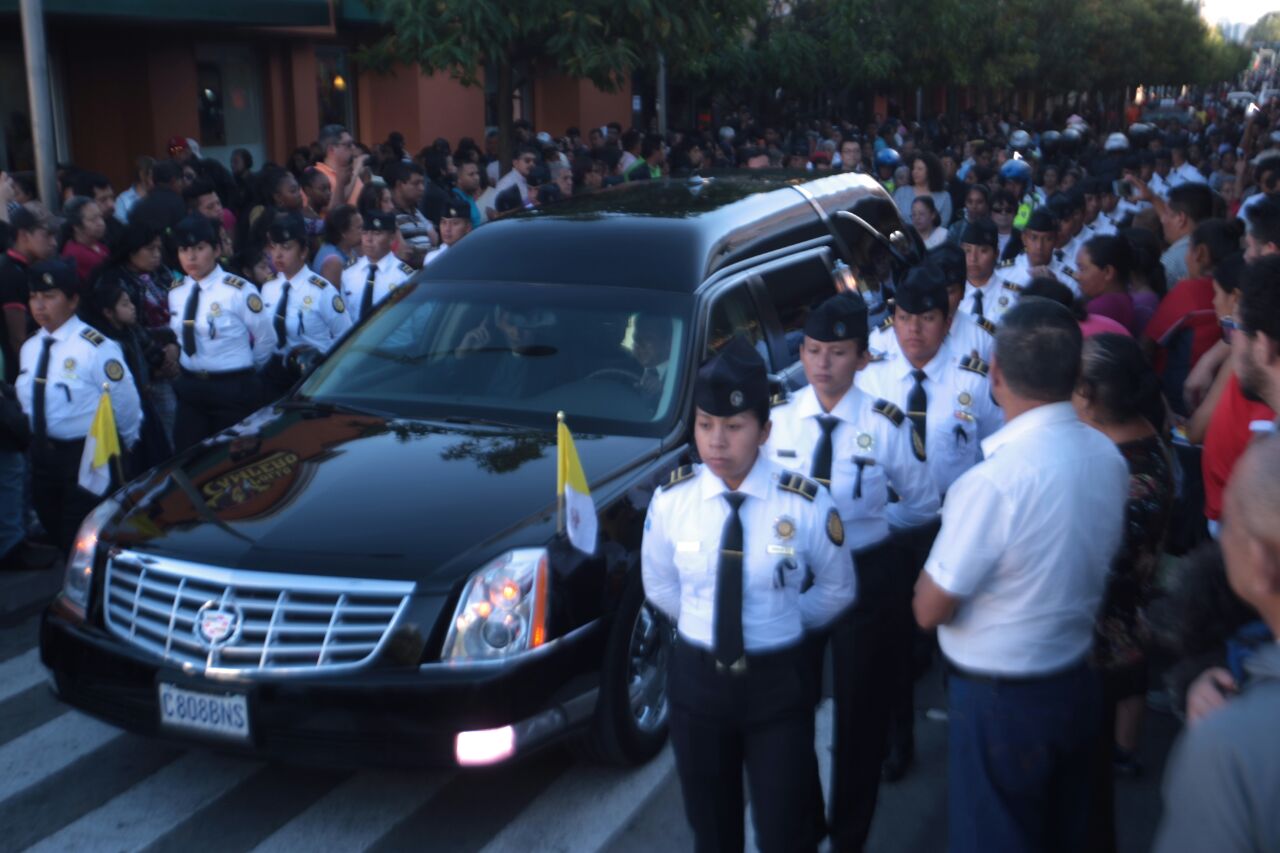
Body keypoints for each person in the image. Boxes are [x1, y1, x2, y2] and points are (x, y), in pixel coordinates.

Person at [913, 299, 1129, 853]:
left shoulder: (992, 483)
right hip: (1078, 683)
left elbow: (928, 608)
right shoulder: (1109, 457)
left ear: (998, 375)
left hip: (1001, 708)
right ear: (1075, 375)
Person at [641, 337, 855, 853]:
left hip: (776, 687)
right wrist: (707, 621)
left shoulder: (803, 503)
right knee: (712, 832)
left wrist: (783, 620)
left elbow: (836, 587)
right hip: (697, 685)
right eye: (705, 425)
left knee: (785, 830)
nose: (717, 442)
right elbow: (660, 586)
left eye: (734, 427)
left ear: (765, 430)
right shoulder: (672, 501)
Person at [767, 293, 939, 849]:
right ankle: (807, 817)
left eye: (837, 352)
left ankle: (849, 835)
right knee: (787, 711)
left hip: (867, 573)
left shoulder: (886, 422)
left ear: (863, 358)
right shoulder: (779, 421)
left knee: (861, 716)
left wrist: (860, 527)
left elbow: (921, 502)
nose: (822, 363)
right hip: (799, 578)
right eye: (813, 350)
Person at [1153, 434, 1280, 853]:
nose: (1220, 537)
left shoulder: (1229, 749)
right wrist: (1205, 670)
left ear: (1260, 561)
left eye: (1230, 522)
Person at [1072, 333, 1175, 848]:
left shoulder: (1128, 477)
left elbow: (1095, 564)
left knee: (1087, 799)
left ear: (1090, 396)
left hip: (1101, 640)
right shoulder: (1141, 440)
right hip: (1127, 620)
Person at [17, 260, 142, 553]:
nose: (39, 305)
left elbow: (125, 402)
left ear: (72, 301)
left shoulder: (95, 346)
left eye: (49, 296)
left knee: (79, 534)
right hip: (42, 453)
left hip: (85, 455)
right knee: (52, 521)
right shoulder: (31, 347)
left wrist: (122, 445)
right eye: (34, 296)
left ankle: (84, 592)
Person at [858, 263, 1003, 497]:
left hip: (957, 510)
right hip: (890, 515)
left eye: (926, 318)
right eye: (904, 318)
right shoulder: (868, 379)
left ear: (946, 324)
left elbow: (998, 447)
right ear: (894, 323)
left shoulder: (974, 382)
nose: (914, 329)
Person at [167, 215, 275, 450]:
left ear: (216, 250)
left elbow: (266, 339)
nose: (191, 257)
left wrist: (245, 369)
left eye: (199, 248)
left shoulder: (237, 289)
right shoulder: (177, 292)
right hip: (191, 387)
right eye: (184, 250)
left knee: (237, 462)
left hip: (233, 388)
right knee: (189, 459)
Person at [91, 220, 179, 445]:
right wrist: (160, 358)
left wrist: (175, 345)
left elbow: (179, 309)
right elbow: (130, 329)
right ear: (132, 252)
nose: (157, 255)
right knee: (164, 429)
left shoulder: (162, 273)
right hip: (145, 368)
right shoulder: (115, 283)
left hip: (174, 355)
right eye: (150, 249)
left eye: (159, 248)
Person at [261, 213, 352, 396]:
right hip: (278, 372)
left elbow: (346, 336)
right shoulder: (268, 287)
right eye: (274, 247)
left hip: (314, 373)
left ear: (303, 251)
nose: (278, 254)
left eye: (286, 247)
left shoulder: (321, 290)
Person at [0, 208, 55, 382]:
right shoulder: (10, 272)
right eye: (46, 235)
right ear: (24, 236)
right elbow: (17, 337)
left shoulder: (29, 267)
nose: (53, 243)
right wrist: (33, 375)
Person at [340, 211, 413, 324]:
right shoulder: (349, 272)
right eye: (365, 233)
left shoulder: (404, 276)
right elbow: (344, 317)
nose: (369, 239)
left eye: (376, 233)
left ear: (392, 238)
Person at [957, 218, 1020, 324]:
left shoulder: (1012, 295)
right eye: (967, 250)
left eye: (983, 251)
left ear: (996, 254)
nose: (973, 258)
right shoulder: (951, 294)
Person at [1076, 234, 1138, 335]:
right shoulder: (1122, 300)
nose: (1077, 276)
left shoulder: (1102, 307)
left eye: (1082, 269)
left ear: (1108, 272)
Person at [389, 162, 437, 267]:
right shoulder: (390, 215)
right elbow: (404, 254)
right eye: (416, 183)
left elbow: (434, 240)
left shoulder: (416, 213)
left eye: (422, 183)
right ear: (399, 185)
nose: (422, 188)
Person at [59, 196, 109, 286]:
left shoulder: (98, 244)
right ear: (76, 227)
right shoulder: (75, 254)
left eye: (100, 217)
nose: (101, 223)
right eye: (93, 219)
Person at [893, 152, 953, 226]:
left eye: (920, 169)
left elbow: (943, 225)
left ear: (930, 171)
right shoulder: (901, 192)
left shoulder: (944, 197)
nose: (915, 172)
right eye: (914, 168)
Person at [315, 124, 365, 208]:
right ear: (331, 149)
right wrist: (356, 170)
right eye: (348, 145)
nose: (353, 148)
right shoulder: (317, 175)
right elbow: (333, 213)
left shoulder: (351, 171)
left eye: (353, 143)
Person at [312, 204, 362, 288]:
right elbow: (333, 298)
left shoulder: (348, 248)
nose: (364, 231)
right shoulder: (332, 263)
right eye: (359, 227)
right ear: (343, 232)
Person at [424, 198, 472, 265]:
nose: (447, 229)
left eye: (455, 223)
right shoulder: (432, 258)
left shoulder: (475, 255)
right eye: (443, 222)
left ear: (468, 227)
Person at [114, 156, 153, 225]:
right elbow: (120, 227)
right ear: (142, 175)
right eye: (152, 175)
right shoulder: (123, 200)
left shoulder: (158, 197)